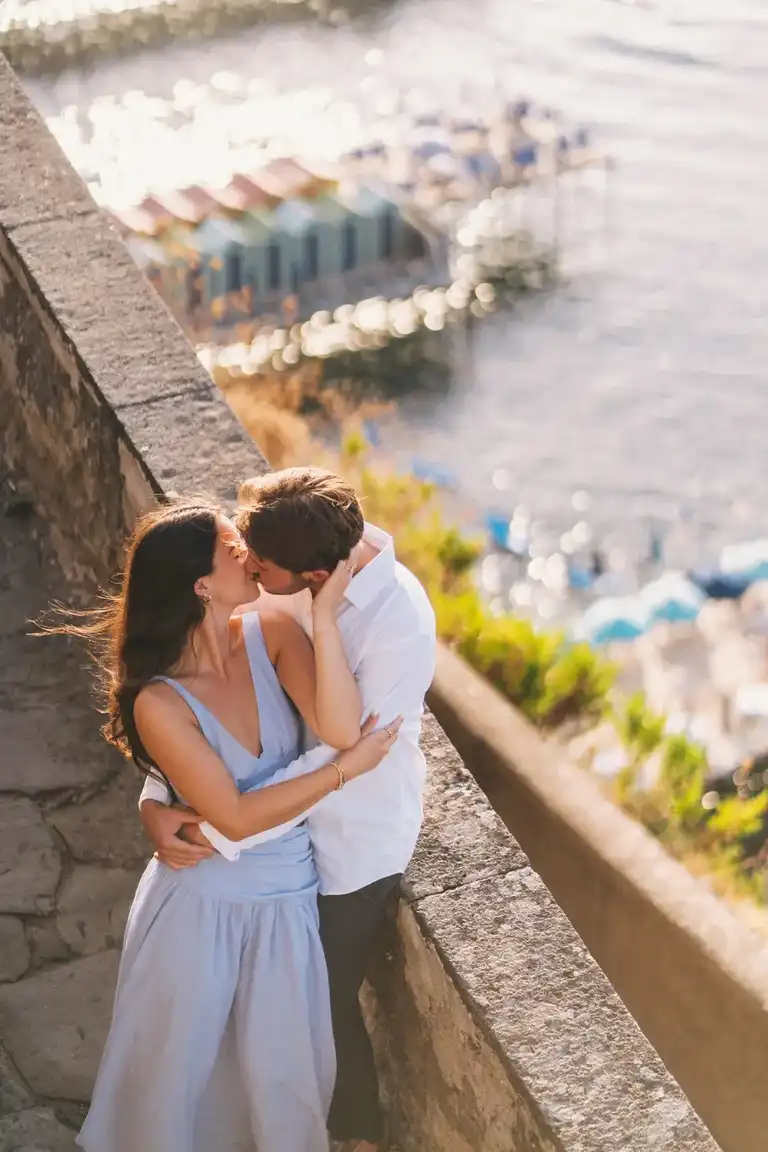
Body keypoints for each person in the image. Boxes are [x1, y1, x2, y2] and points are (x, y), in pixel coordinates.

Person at [56, 499, 400, 1152]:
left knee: (281, 1092)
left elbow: (336, 724)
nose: (246, 547)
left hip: (289, 908)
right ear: (201, 585)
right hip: (199, 914)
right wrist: (343, 771)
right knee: (169, 1092)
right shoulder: (158, 701)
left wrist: (323, 615)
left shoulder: (273, 630)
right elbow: (235, 817)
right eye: (229, 545)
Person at [141, 467, 437, 1152]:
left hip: (354, 843)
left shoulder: (399, 626)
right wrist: (160, 798)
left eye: (259, 562)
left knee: (321, 1000)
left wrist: (224, 822)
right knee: (267, 1003)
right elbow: (203, 706)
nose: (245, 563)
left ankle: (356, 1135)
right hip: (284, 838)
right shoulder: (279, 588)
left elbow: (344, 755)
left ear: (311, 575)